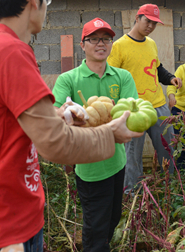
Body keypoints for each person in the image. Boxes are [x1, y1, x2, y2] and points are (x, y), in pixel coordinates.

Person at [0, 0, 143, 252]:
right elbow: (55, 145)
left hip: (6, 221)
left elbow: (12, 127)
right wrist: (111, 134)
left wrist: (59, 115)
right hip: (1, 231)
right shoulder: (9, 53)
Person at [52, 18, 138, 251]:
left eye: (106, 39)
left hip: (117, 162)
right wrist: (70, 112)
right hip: (90, 168)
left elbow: (131, 110)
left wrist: (108, 114)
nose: (101, 44)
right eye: (94, 39)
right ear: (83, 44)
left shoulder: (122, 77)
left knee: (112, 219)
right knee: (95, 230)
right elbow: (56, 112)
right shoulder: (68, 79)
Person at [107, 4, 182, 192]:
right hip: (133, 109)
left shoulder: (151, 43)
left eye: (154, 23)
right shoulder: (119, 46)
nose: (150, 26)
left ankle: (170, 185)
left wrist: (170, 78)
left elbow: (156, 68)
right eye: (147, 21)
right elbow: (111, 77)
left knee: (168, 147)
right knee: (132, 155)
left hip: (158, 105)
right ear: (137, 17)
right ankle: (132, 193)